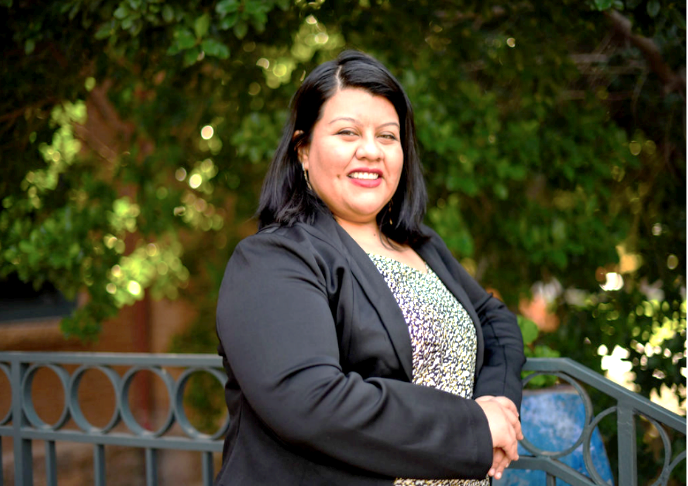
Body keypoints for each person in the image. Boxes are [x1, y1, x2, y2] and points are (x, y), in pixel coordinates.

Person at [215, 50, 525, 486]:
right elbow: (312, 402)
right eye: (347, 132)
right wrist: (472, 427)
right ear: (303, 150)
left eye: (387, 136)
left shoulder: (422, 246)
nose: (370, 151)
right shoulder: (272, 260)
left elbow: (496, 322)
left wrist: (498, 406)